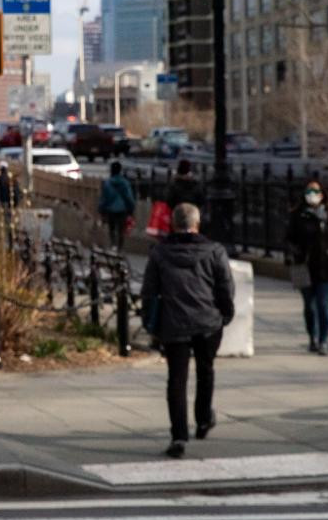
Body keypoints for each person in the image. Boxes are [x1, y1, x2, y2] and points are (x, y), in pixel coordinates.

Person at [141, 203, 235, 459]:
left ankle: (179, 435)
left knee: (176, 379)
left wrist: (149, 322)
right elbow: (225, 286)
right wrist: (226, 313)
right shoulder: (214, 251)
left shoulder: (160, 253)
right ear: (197, 224)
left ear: (173, 224)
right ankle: (203, 418)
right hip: (207, 321)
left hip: (174, 322)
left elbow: (149, 290)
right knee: (206, 370)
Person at [286, 180, 328, 356]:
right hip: (303, 266)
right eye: (309, 191)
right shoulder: (298, 215)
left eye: (316, 191)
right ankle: (313, 338)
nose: (312, 194)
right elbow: (288, 239)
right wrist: (293, 254)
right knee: (309, 306)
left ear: (323, 195)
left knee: (323, 305)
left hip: (327, 266)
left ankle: (324, 340)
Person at [99, 161, 137, 251]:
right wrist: (131, 208)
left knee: (111, 229)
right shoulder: (125, 183)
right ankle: (119, 248)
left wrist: (101, 209)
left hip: (110, 210)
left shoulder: (107, 183)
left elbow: (104, 198)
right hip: (122, 210)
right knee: (121, 230)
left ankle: (113, 245)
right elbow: (129, 197)